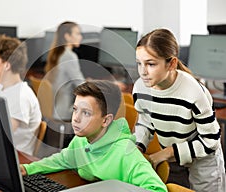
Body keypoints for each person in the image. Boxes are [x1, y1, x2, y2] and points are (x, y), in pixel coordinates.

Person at [20, 80, 168, 192]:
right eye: (75, 109)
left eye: (86, 113)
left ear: (106, 120)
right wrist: (28, 169)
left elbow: (158, 189)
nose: (76, 118)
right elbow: (62, 159)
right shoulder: (81, 140)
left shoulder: (126, 153)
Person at [133, 28, 225, 192]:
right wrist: (137, 147)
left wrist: (167, 153)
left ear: (172, 63)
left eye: (151, 64)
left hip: (203, 160)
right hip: (172, 159)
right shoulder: (140, 88)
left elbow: (211, 141)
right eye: (139, 63)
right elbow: (146, 123)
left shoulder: (194, 92)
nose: (143, 71)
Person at [0, 34, 42, 156]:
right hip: (2, 153)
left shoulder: (20, 96)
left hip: (16, 158)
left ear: (7, 65)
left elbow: (0, 135)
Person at [44, 21, 85, 121]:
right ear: (67, 36)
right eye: (78, 33)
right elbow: (82, 85)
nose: (81, 37)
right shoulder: (69, 56)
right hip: (64, 111)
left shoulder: (57, 53)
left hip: (53, 108)